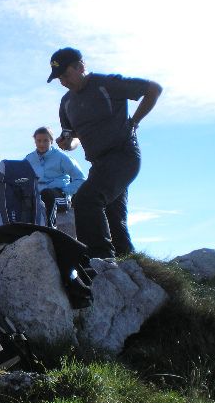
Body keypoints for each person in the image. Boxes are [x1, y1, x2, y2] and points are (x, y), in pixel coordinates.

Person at [47, 47, 162, 258]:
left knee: (86, 200)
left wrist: (134, 122)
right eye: (59, 78)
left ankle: (98, 261)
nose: (63, 81)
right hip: (99, 165)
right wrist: (66, 144)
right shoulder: (66, 103)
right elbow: (73, 139)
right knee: (113, 217)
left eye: (65, 75)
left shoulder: (106, 84)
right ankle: (129, 264)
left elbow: (154, 89)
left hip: (123, 155)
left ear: (80, 67)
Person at [24, 126, 85, 227]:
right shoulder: (29, 159)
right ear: (35, 141)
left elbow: (80, 178)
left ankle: (50, 227)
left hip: (59, 195)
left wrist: (65, 191)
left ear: (51, 141)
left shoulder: (61, 157)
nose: (42, 144)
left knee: (48, 195)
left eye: (45, 141)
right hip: (38, 195)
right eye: (38, 141)